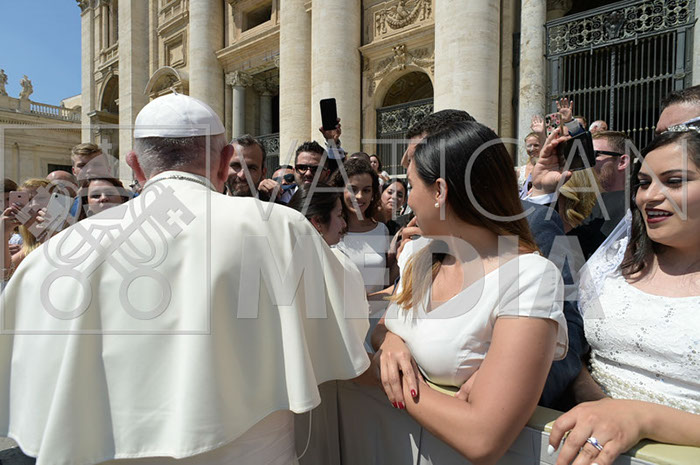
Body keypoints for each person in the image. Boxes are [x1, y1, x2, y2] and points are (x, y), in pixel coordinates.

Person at [0, 92, 370, 465]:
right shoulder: (281, 228)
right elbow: (349, 316)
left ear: (135, 166)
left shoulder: (57, 254)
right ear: (225, 161)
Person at [371, 121, 568, 463]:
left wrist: (387, 377)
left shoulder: (530, 278)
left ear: (440, 191)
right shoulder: (418, 254)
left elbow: (483, 437)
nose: (407, 199)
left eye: (412, 186)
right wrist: (390, 344)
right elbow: (386, 326)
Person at [549, 126, 700, 465]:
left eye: (674, 182)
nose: (650, 197)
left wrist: (642, 418)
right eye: (644, 183)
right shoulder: (612, 260)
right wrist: (591, 395)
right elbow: (569, 338)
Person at [333, 158, 390, 295]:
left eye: (366, 190)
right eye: (353, 189)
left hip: (377, 308)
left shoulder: (382, 230)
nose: (359, 196)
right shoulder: (330, 231)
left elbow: (387, 279)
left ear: (373, 194)